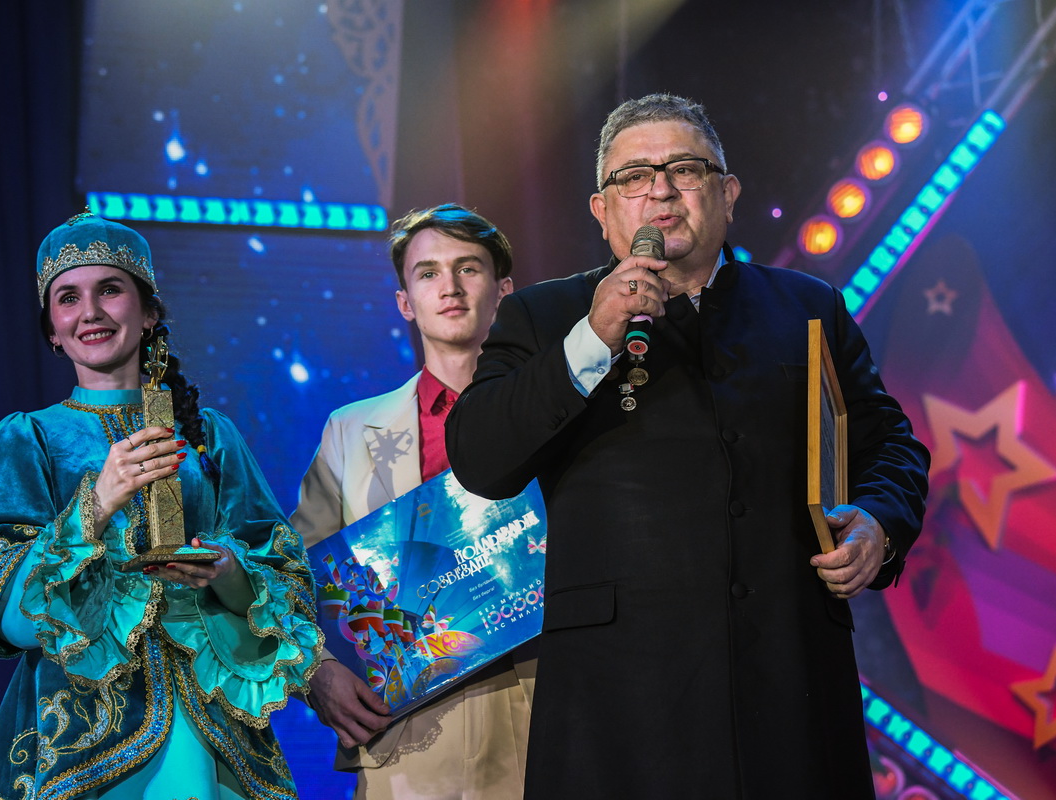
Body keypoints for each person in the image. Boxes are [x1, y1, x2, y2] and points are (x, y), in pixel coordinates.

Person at [445, 94, 931, 798]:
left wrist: (879, 524)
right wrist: (592, 338)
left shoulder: (806, 306)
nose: (661, 190)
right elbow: (480, 457)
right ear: (602, 210)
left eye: (685, 169)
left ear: (727, 194)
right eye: (633, 176)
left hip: (792, 689)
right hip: (619, 708)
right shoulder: (544, 315)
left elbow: (890, 444)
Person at [0, 212, 322, 800]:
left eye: (110, 290)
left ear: (149, 312)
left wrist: (228, 572)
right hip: (84, 734)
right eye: (68, 298)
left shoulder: (210, 437)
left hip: (215, 728)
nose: (90, 312)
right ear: (53, 331)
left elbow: (288, 577)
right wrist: (96, 502)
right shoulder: (29, 439)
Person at [291, 204, 534, 799]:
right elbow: (294, 572)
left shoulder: (554, 411)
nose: (449, 287)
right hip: (402, 731)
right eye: (428, 273)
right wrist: (317, 669)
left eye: (468, 268)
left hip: (541, 711)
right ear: (405, 302)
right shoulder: (349, 431)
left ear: (504, 291)